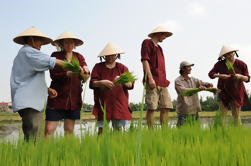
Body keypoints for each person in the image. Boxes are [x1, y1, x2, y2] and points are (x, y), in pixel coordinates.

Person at [10, 26, 64, 141]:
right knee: (34, 137)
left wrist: (46, 89)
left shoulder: (25, 54)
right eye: (39, 41)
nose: (41, 44)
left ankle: (30, 157)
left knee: (34, 135)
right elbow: (50, 61)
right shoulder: (28, 51)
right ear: (31, 39)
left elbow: (28, 78)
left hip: (30, 101)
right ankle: (30, 158)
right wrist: (74, 67)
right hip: (30, 102)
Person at [44, 31, 90, 137]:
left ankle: (67, 152)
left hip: (74, 99)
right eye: (66, 42)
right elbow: (53, 75)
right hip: (57, 98)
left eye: (71, 42)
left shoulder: (79, 56)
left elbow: (85, 71)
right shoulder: (55, 55)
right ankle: (45, 152)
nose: (69, 45)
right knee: (49, 130)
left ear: (74, 44)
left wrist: (86, 72)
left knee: (69, 130)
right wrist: (67, 73)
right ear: (61, 44)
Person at [89, 43, 134, 134]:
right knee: (102, 130)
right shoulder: (98, 67)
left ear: (117, 55)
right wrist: (101, 82)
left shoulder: (122, 68)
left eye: (113, 55)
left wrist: (122, 80)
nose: (110, 57)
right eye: (108, 55)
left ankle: (117, 147)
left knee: (117, 130)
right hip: (103, 104)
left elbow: (130, 85)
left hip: (119, 104)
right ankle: (99, 147)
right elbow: (92, 84)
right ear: (104, 56)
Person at [141, 26, 173, 128]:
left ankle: (164, 130)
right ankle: (151, 131)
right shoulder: (147, 42)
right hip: (152, 80)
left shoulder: (159, 48)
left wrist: (164, 79)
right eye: (164, 35)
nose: (165, 38)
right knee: (152, 107)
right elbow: (145, 60)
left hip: (162, 81)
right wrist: (150, 78)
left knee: (166, 106)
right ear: (158, 33)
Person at [208, 46, 250, 125]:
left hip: (237, 92)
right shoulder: (219, 64)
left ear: (234, 53)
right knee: (222, 114)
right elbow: (211, 74)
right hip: (223, 92)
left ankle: (237, 132)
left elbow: (247, 78)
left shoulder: (241, 64)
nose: (229, 56)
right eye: (226, 55)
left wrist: (240, 76)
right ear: (223, 56)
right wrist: (220, 76)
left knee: (236, 115)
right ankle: (218, 132)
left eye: (230, 54)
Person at [175, 61, 213, 127]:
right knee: (181, 131)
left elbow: (202, 83)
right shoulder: (178, 80)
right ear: (183, 68)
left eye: (190, 67)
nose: (190, 68)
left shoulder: (193, 79)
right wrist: (198, 89)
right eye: (188, 67)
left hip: (194, 109)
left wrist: (208, 84)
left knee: (195, 129)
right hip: (184, 110)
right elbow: (184, 91)